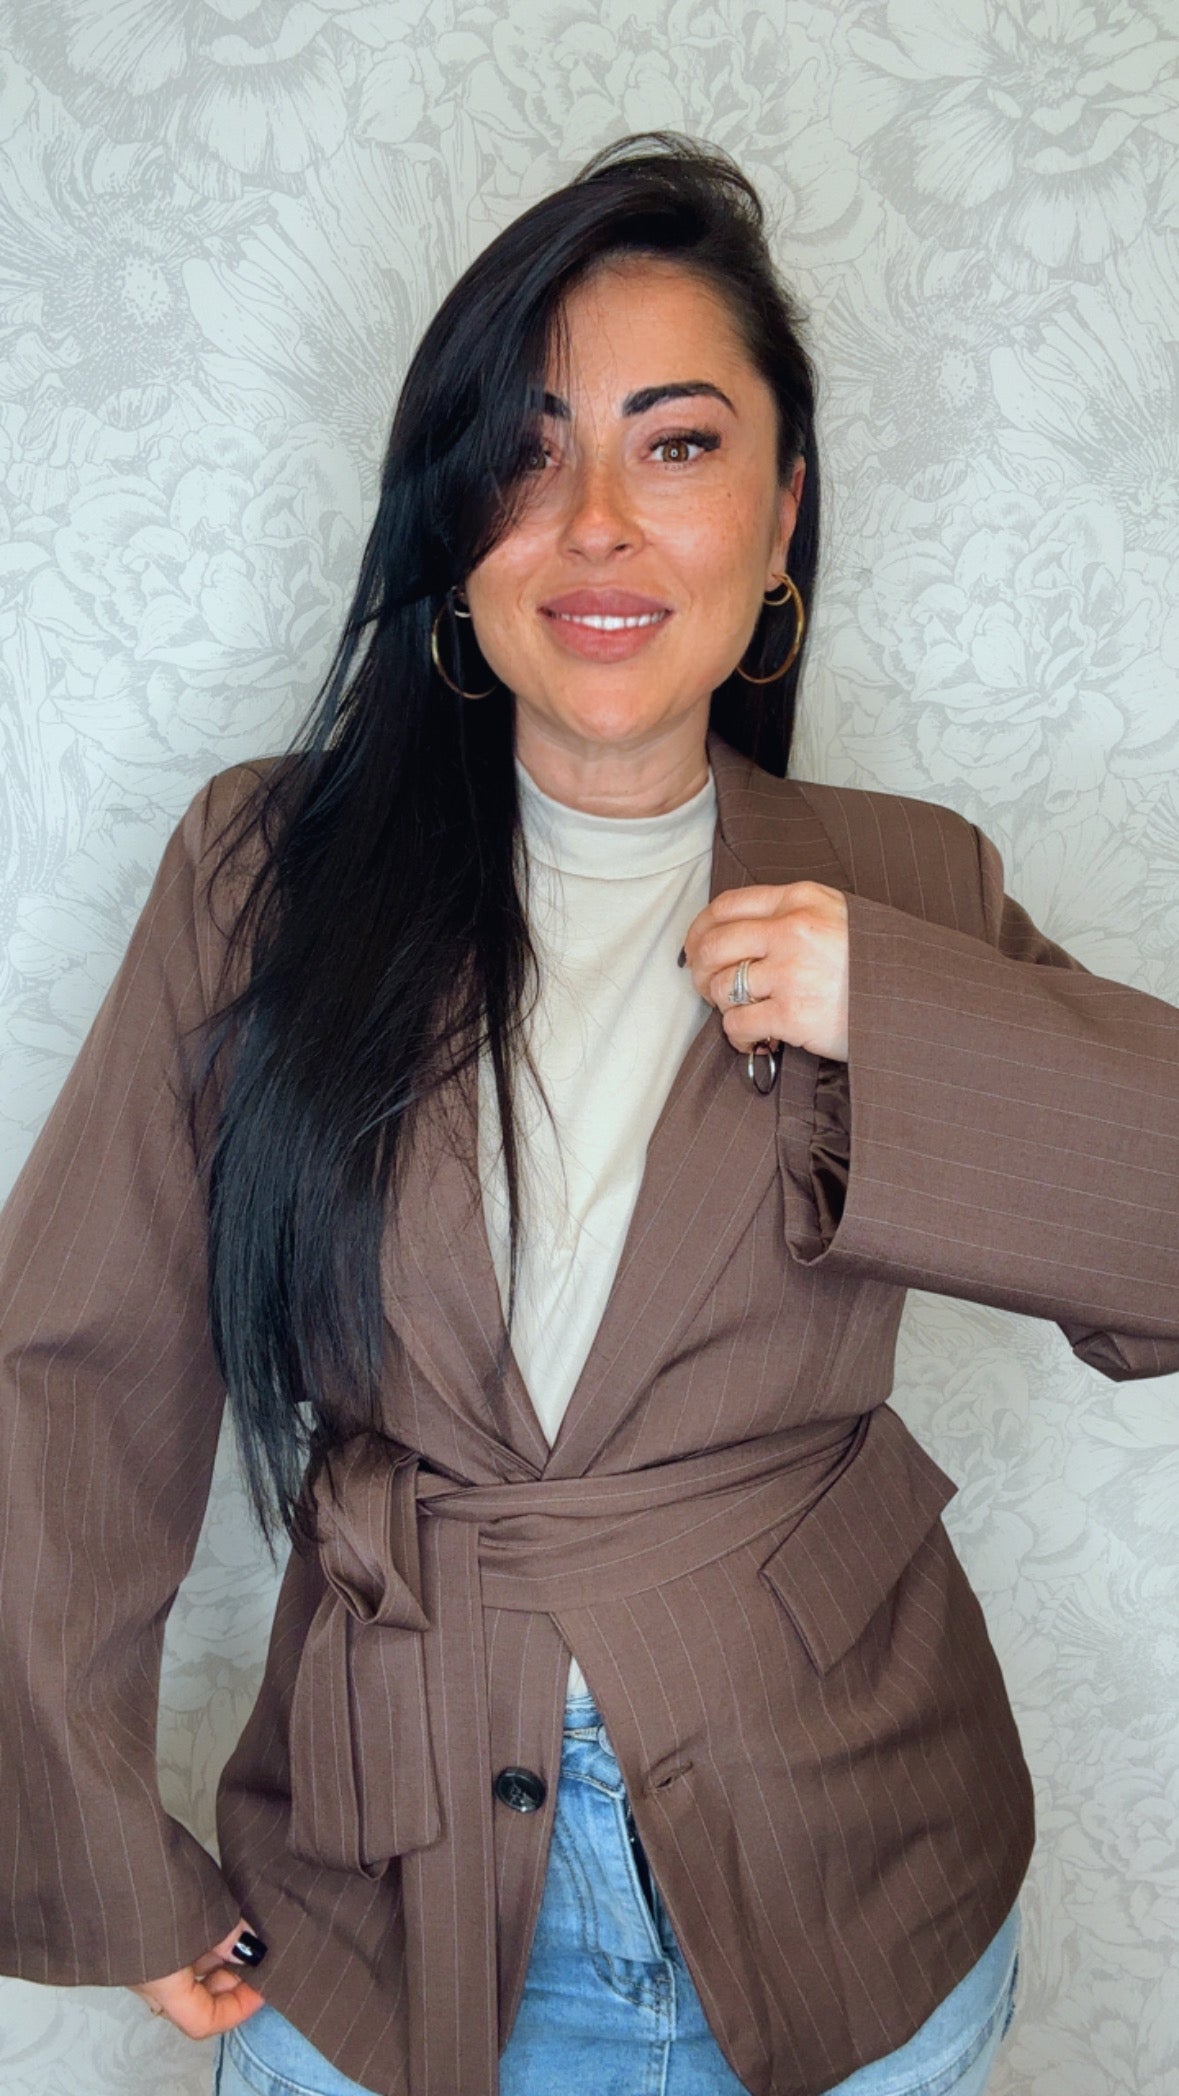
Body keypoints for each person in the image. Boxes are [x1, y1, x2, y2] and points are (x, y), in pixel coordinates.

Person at [0, 134, 1176, 2096]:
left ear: (783, 514)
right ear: (451, 526)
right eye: (527, 454)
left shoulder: (908, 881)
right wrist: (87, 1833)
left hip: (856, 1877)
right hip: (375, 1892)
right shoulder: (263, 875)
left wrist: (907, 1017)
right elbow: (68, 1361)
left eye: (677, 445)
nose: (600, 526)